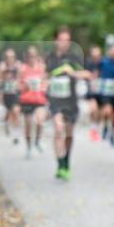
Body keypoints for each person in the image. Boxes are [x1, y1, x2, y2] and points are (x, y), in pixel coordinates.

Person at [46, 27, 90, 180]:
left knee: (69, 134)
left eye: (67, 40)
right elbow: (42, 76)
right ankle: (60, 164)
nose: (64, 43)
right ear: (55, 40)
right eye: (61, 39)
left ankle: (66, 160)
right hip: (55, 100)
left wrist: (74, 73)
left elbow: (88, 74)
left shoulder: (74, 57)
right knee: (58, 128)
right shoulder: (49, 58)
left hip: (71, 101)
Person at [18, 45, 47, 158]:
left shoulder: (42, 68)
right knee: (28, 125)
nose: (32, 58)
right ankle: (29, 147)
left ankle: (37, 141)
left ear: (37, 56)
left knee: (40, 121)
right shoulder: (22, 68)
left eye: (34, 56)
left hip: (39, 99)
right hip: (26, 100)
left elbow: (46, 81)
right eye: (30, 56)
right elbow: (18, 85)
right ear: (27, 57)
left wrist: (44, 87)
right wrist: (24, 85)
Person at [96, 44, 114, 146]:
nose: (113, 53)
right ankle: (105, 126)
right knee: (107, 111)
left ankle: (112, 135)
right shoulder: (103, 61)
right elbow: (95, 69)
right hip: (106, 91)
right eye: (112, 51)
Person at [0, 48, 22, 143]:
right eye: (8, 57)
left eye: (12, 57)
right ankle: (7, 122)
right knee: (9, 112)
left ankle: (16, 132)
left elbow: (20, 77)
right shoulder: (2, 66)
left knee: (16, 111)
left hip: (15, 93)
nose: (10, 58)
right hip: (6, 94)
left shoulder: (18, 65)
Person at [84, 45, 103, 142]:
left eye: (98, 55)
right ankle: (93, 129)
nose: (96, 57)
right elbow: (84, 74)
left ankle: (96, 127)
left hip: (101, 91)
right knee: (94, 109)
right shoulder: (88, 63)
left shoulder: (103, 63)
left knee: (99, 112)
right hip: (91, 91)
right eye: (94, 55)